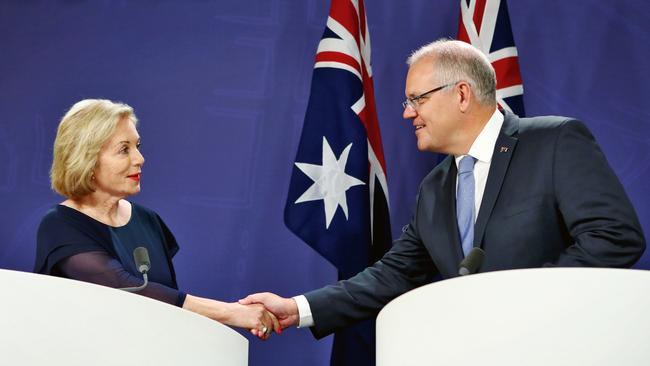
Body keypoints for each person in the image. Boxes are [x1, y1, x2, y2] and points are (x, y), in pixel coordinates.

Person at [239, 39, 646, 339]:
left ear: (463, 94)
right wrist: (297, 308)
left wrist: (526, 300)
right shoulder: (435, 187)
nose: (407, 112)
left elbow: (615, 237)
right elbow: (393, 274)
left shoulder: (554, 141)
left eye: (417, 98)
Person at [34, 99, 279, 339]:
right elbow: (122, 287)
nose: (140, 159)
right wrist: (231, 313)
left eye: (137, 146)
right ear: (87, 160)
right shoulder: (59, 225)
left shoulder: (147, 220)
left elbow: (168, 305)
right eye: (124, 149)